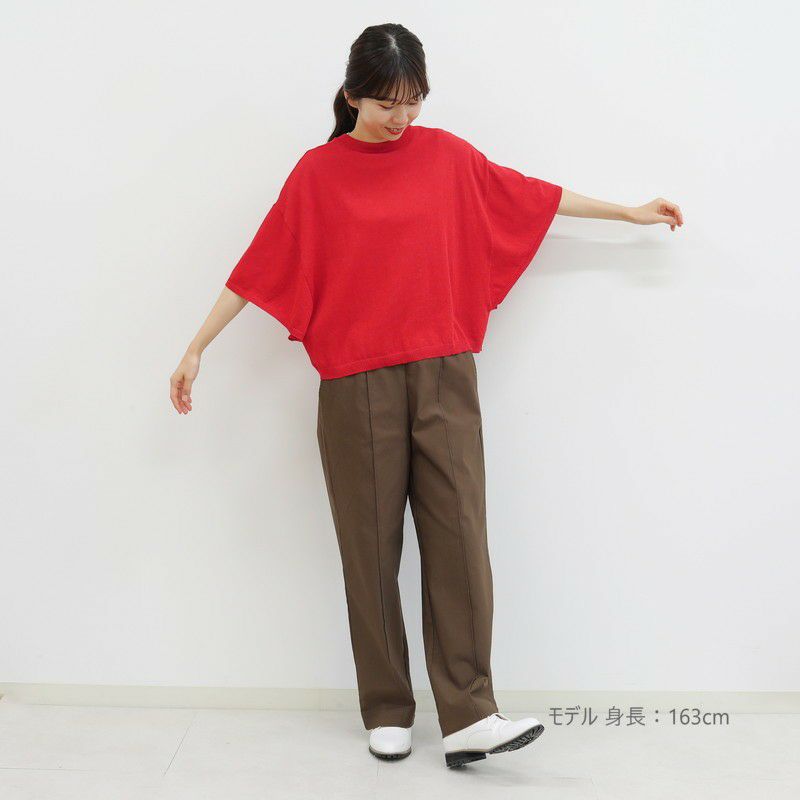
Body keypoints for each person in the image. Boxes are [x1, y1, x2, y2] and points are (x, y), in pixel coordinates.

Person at [169, 23, 683, 769]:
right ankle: (386, 708)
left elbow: (532, 197)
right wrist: (197, 346)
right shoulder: (317, 174)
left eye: (412, 101)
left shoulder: (447, 156)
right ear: (352, 97)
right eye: (386, 103)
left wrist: (628, 212)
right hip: (355, 382)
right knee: (369, 548)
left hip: (445, 374)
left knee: (460, 537)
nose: (401, 117)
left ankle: (472, 714)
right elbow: (261, 263)